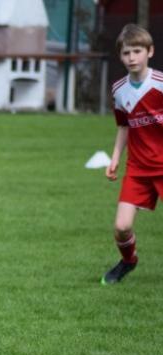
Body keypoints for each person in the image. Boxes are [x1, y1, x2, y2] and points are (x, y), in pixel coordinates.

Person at [102, 23, 162, 284]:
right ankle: (129, 261)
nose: (132, 58)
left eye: (137, 51)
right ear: (120, 56)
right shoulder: (119, 89)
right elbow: (124, 126)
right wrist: (115, 157)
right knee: (122, 227)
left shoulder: (160, 84)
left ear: (150, 51)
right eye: (126, 53)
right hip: (138, 169)